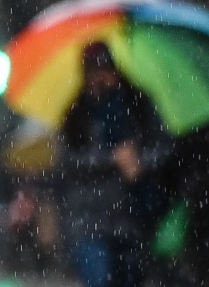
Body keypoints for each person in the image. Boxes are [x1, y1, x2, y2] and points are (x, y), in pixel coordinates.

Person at [57, 42, 172, 287]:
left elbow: (163, 147)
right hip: (89, 220)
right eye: (93, 72)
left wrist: (139, 162)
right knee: (100, 278)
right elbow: (68, 161)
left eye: (104, 70)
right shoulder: (76, 115)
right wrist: (109, 159)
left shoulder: (138, 105)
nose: (99, 78)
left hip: (132, 217)